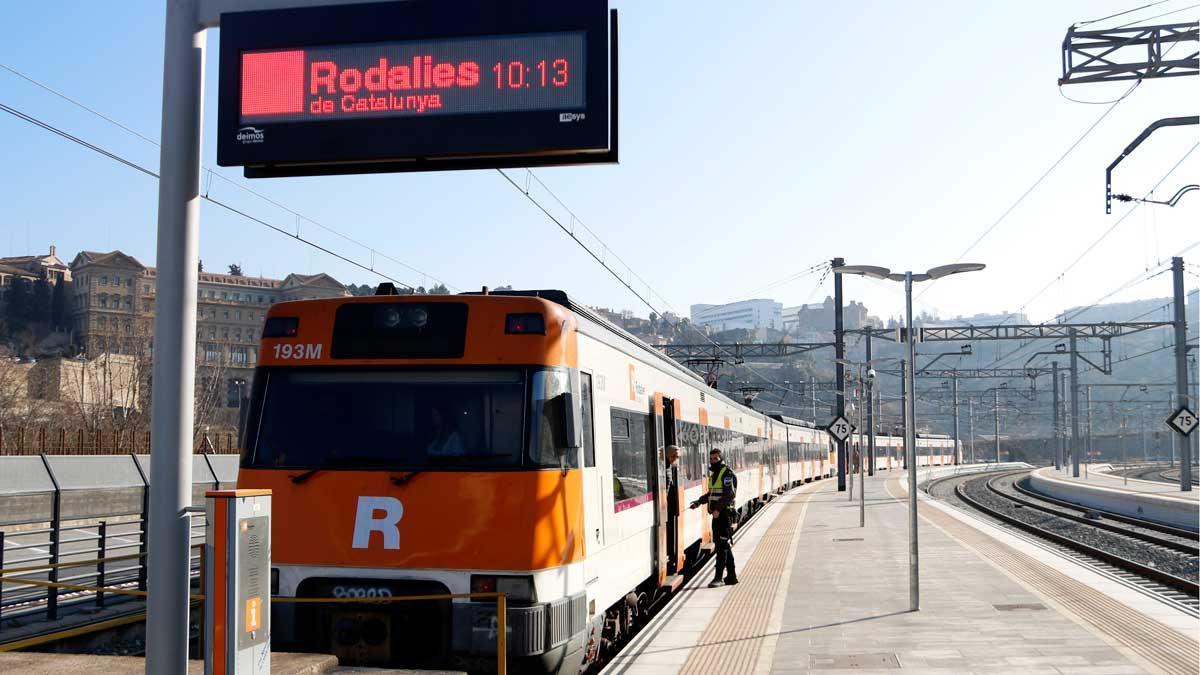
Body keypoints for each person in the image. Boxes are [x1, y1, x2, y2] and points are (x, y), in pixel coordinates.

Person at [690, 448, 738, 587]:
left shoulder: (726, 473)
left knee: (721, 547)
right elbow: (711, 495)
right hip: (717, 516)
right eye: (711, 459)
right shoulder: (714, 475)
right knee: (723, 545)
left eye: (715, 459)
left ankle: (718, 578)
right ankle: (731, 576)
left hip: (724, 515)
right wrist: (699, 502)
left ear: (721, 459)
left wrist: (717, 509)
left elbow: (730, 494)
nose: (713, 461)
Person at [665, 445, 681, 572]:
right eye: (673, 456)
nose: (675, 459)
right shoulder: (663, 467)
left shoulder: (668, 466)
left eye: (676, 457)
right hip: (664, 506)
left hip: (668, 506)